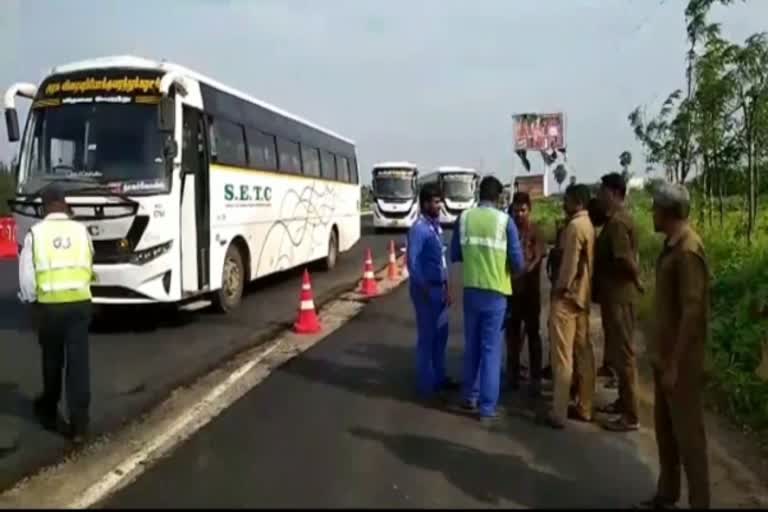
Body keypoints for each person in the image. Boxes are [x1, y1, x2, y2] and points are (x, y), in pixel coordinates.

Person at [638, 182, 710, 509]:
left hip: (680, 361)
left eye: (655, 208)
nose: (651, 213)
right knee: (666, 433)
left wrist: (676, 364)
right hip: (664, 356)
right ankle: (667, 492)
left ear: (668, 212)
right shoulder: (671, 246)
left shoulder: (688, 250)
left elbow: (693, 311)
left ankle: (700, 502)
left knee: (689, 438)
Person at [18, 184, 95, 444]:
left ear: (44, 206)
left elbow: (27, 278)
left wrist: (32, 304)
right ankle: (80, 425)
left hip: (50, 307)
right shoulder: (81, 230)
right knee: (78, 364)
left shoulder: (35, 234)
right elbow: (90, 260)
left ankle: (49, 409)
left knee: (52, 361)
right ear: (64, 204)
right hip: (80, 304)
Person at [450, 176, 524, 424]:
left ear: (479, 193)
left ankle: (469, 396)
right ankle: (487, 408)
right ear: (499, 197)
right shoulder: (506, 222)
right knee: (491, 351)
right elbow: (517, 262)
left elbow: (456, 254)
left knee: (472, 346)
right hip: (496, 293)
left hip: (471, 290)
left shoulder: (464, 218)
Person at [539, 184, 595, 429]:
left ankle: (559, 411)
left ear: (577, 202)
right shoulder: (588, 225)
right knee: (582, 353)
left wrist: (559, 289)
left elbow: (569, 266)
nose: (563, 204)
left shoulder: (574, 227)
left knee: (562, 355)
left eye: (567, 200)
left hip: (568, 298)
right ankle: (584, 405)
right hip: (582, 297)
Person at [594, 173, 643, 432]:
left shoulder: (617, 224)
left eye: (603, 192)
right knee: (618, 352)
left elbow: (625, 259)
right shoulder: (616, 221)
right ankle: (623, 403)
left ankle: (631, 414)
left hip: (620, 297)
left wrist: (638, 281)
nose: (600, 197)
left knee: (624, 355)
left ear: (614, 193)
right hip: (614, 296)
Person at [407, 183, 457, 400]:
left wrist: (446, 286)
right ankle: (426, 385)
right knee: (427, 337)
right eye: (436, 202)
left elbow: (442, 262)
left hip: (439, 289)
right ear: (426, 203)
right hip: (426, 291)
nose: (440, 206)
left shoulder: (435, 227)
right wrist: (424, 286)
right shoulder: (418, 229)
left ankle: (439, 377)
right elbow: (412, 262)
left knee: (441, 335)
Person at [505, 192, 546, 397]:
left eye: (523, 210)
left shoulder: (536, 231)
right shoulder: (507, 230)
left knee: (533, 335)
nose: (519, 214)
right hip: (511, 292)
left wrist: (521, 269)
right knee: (512, 335)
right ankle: (512, 373)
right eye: (516, 210)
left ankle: (536, 378)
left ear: (529, 210)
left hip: (530, 293)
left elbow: (537, 258)